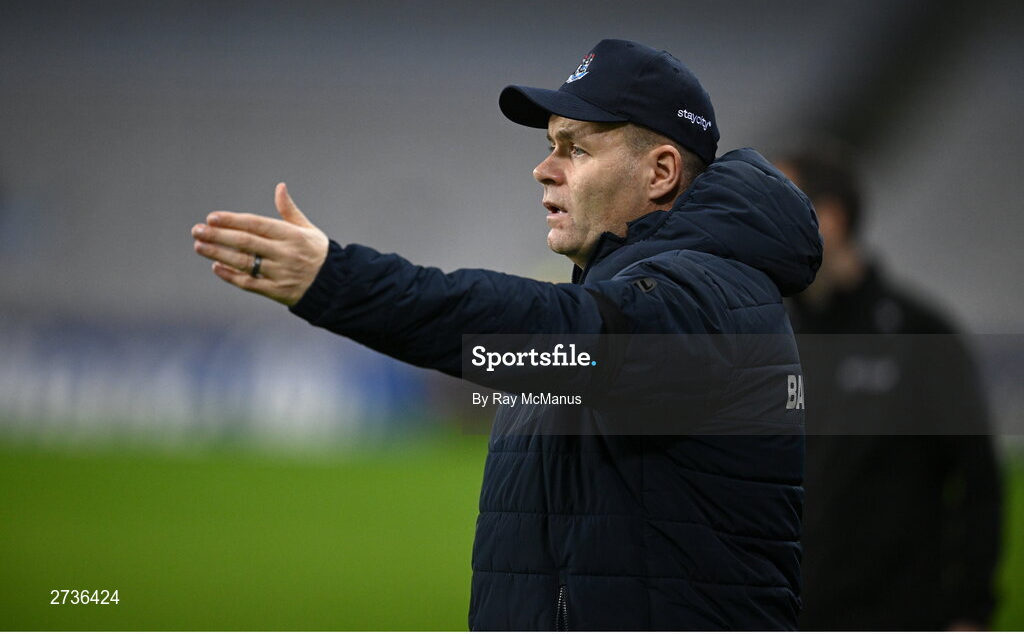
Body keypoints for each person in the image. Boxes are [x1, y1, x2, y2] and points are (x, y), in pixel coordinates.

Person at [191, 39, 822, 630]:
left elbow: (542, 324)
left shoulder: (706, 300)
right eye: (551, 144)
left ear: (660, 172)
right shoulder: (628, 293)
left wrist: (339, 280)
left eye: (575, 148)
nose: (543, 169)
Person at [776, 145, 1003, 630]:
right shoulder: (767, 336)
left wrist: (971, 611)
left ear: (829, 220)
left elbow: (980, 483)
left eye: (777, 207)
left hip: (898, 616)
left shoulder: (921, 335)